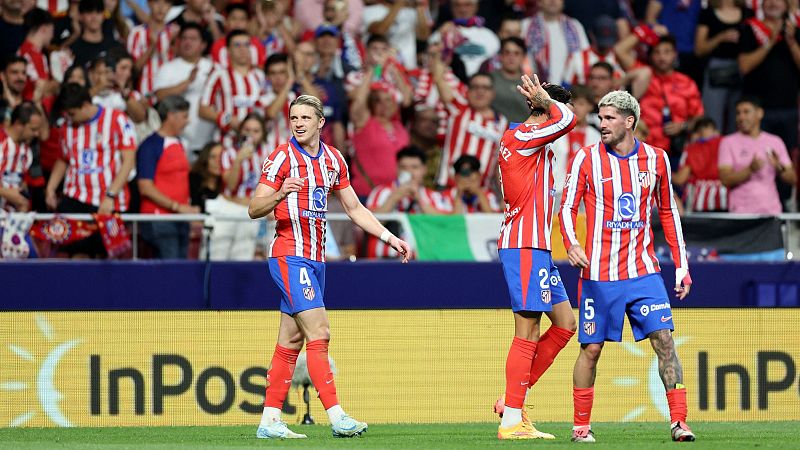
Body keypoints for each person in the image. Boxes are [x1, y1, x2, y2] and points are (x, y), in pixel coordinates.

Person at [248, 94, 411, 439]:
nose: (299, 123)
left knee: (291, 339)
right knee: (319, 332)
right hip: (289, 255)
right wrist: (279, 194)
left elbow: (354, 209)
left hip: (316, 260)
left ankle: (270, 420)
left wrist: (388, 237)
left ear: (321, 122)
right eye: (294, 118)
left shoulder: (334, 159)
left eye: (306, 118)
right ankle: (337, 417)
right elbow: (254, 208)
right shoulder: (281, 157)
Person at [559, 90, 695, 443]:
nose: (601, 124)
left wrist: (681, 265)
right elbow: (567, 207)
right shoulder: (586, 158)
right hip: (599, 275)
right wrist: (571, 243)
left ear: (629, 121)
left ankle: (679, 422)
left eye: (609, 118)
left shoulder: (657, 159)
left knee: (664, 340)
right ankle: (580, 427)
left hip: (643, 272)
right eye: (600, 117)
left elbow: (668, 212)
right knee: (591, 349)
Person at [495, 75, 577, 440]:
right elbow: (568, 119)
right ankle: (512, 420)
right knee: (527, 330)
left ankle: (513, 400)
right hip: (524, 244)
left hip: (537, 247)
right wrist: (547, 101)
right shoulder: (524, 137)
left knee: (565, 323)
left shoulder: (534, 143)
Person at [45, 82, 137, 257]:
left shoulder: (117, 119)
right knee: (74, 254)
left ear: (86, 105)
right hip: (75, 198)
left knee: (109, 256)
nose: (70, 118)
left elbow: (128, 161)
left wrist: (110, 196)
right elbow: (63, 159)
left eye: (72, 113)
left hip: (109, 202)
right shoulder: (67, 126)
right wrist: (51, 188)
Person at [432, 51, 508, 188]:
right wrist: (438, 50)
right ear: (467, 91)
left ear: (493, 93)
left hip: (480, 192)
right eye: (475, 87)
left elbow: (500, 163)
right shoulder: (458, 108)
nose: (480, 91)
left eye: (485, 88)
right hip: (449, 187)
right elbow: (438, 79)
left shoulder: (502, 122)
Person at [136, 95, 199, 259]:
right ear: (171, 115)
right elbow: (145, 187)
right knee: (171, 269)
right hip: (159, 219)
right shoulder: (150, 145)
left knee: (180, 268)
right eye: (184, 116)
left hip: (180, 218)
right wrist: (177, 207)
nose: (188, 121)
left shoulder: (179, 143)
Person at [365, 146, 450, 258]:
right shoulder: (380, 192)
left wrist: (420, 200)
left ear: (424, 169)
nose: (409, 172)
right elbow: (369, 225)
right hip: (384, 259)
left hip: (422, 260)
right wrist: (393, 198)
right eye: (404, 167)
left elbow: (444, 227)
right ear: (397, 169)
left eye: (414, 167)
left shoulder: (434, 196)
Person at [718, 97, 796, 214]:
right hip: (740, 213)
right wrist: (749, 170)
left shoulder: (775, 141)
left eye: (746, 112)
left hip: (771, 212)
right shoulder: (727, 142)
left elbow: (793, 179)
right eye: (738, 113)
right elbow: (725, 179)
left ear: (760, 113)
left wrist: (779, 167)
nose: (741, 117)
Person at [209, 113, 271, 260]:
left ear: (262, 134)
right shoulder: (228, 153)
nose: (251, 135)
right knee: (217, 258)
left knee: (243, 259)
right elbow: (230, 186)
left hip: (250, 213)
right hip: (227, 210)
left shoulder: (268, 154)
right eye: (247, 130)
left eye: (256, 131)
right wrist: (238, 161)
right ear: (240, 131)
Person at [153, 21, 215, 161]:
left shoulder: (213, 68)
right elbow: (159, 95)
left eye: (193, 39)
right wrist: (187, 82)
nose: (188, 42)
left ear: (203, 45)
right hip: (178, 139)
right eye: (184, 38)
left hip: (208, 140)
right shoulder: (168, 68)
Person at [199, 29, 269, 146]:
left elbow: (265, 104)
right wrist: (228, 119)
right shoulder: (219, 75)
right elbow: (203, 109)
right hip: (227, 141)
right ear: (228, 50)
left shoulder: (259, 76)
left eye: (246, 45)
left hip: (257, 144)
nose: (242, 49)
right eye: (237, 45)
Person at [672, 117, 728, 212]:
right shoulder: (727, 143)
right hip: (723, 198)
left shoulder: (691, 149)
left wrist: (666, 173)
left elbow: (680, 179)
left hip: (699, 201)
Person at [126, 0, 176, 97]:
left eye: (166, 3)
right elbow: (133, 69)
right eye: (157, 2)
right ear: (149, 4)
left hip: (169, 93)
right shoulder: (136, 33)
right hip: (143, 94)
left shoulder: (175, 32)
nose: (161, 7)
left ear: (170, 6)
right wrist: (151, 47)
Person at [0, 102, 43, 212]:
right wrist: (4, 192)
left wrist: (24, 203)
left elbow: (21, 184)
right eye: (33, 129)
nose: (37, 134)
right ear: (18, 124)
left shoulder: (27, 152)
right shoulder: (1, 142)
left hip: (11, 216)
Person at [189, 141, 221, 213]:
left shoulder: (229, 184)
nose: (218, 161)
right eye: (213, 157)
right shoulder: (192, 180)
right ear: (205, 159)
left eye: (221, 157)